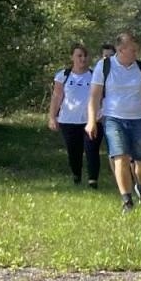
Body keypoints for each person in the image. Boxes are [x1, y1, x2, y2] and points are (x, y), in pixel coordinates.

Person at [86, 31, 141, 212]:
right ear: (120, 49)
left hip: (139, 120)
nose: (136, 53)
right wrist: (91, 121)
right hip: (113, 119)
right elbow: (94, 97)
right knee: (121, 157)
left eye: (136, 49)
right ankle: (126, 200)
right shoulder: (104, 66)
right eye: (132, 50)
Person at [49, 44, 101, 188]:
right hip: (68, 120)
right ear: (72, 57)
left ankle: (93, 181)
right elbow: (57, 96)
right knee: (74, 151)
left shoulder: (94, 75)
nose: (83, 59)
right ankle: (76, 176)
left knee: (92, 150)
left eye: (85, 56)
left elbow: (101, 97)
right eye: (79, 56)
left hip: (90, 120)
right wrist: (52, 117)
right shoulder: (63, 76)